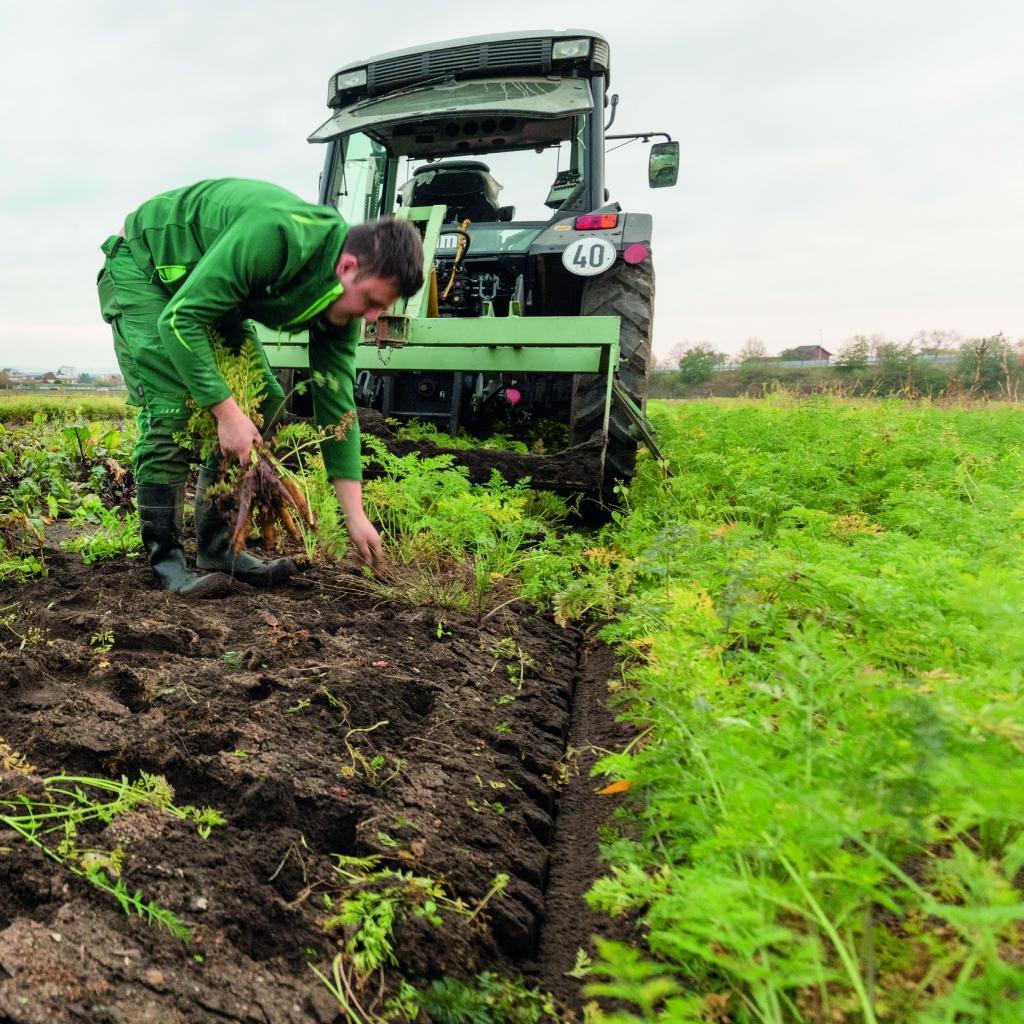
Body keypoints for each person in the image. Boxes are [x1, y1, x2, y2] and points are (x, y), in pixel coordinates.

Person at [96, 178, 424, 597]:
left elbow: (337, 405)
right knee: (174, 408)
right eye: (372, 300)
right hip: (146, 267)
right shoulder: (276, 235)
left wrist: (355, 514)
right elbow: (179, 321)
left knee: (263, 400)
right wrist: (226, 413)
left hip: (207, 287)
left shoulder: (343, 303)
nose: (373, 316)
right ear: (347, 267)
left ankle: (218, 548)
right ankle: (167, 564)